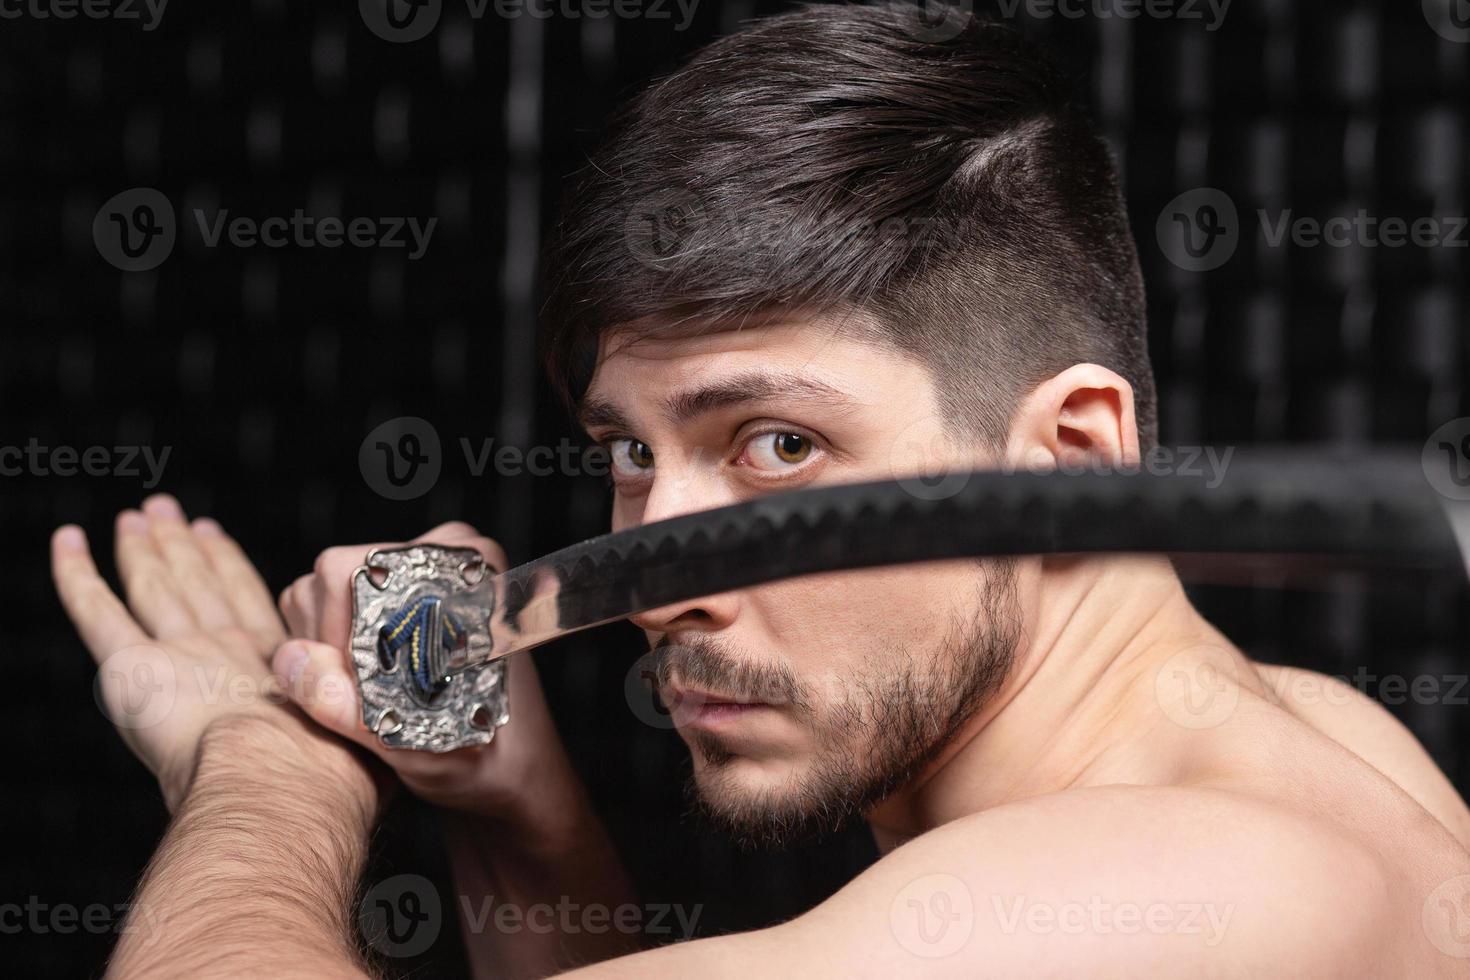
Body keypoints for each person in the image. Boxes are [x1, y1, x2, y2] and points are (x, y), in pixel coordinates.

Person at [51, 5, 1470, 977]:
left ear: (1069, 464)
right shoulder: (1304, 737)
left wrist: (261, 756)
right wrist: (512, 805)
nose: (660, 577)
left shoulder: (1150, 897)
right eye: (627, 450)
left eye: (775, 444)